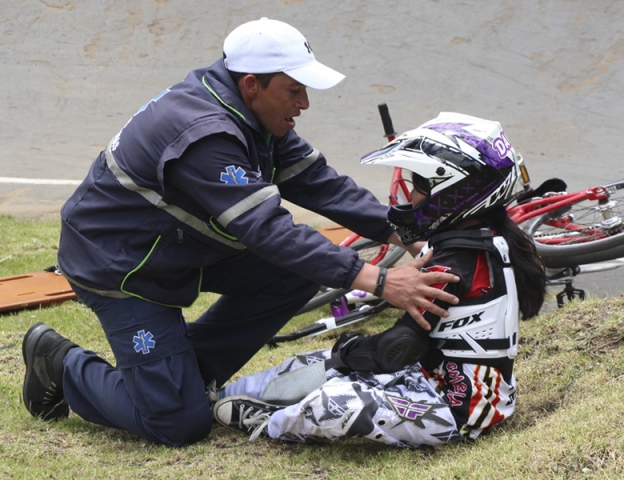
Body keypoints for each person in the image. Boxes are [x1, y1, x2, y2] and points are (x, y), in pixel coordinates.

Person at [21, 18, 462, 447]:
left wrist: (412, 233)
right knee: (177, 424)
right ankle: (61, 363)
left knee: (299, 270)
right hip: (121, 268)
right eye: (294, 90)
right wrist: (382, 281)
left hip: (176, 250)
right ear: (252, 84)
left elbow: (319, 184)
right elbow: (265, 228)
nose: (304, 103)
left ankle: (184, 379)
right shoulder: (204, 134)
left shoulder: (253, 115)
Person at [211, 113, 548, 447]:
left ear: (455, 192)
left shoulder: (453, 264)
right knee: (314, 362)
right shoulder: (488, 240)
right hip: (432, 378)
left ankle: (268, 421)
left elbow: (394, 352)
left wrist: (345, 354)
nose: (411, 194)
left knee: (334, 401)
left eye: (419, 184)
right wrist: (338, 358)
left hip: (461, 410)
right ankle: (221, 396)